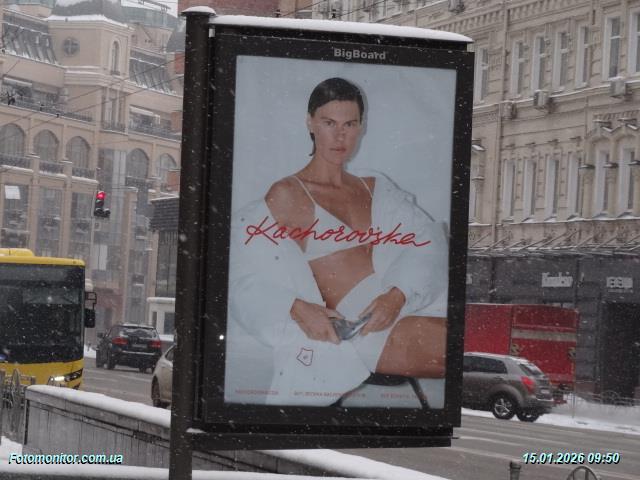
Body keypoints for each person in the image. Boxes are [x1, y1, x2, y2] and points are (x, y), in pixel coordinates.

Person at [228, 77, 448, 407]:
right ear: (310, 123)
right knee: (452, 346)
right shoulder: (288, 195)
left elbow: (428, 241)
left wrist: (397, 296)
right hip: (355, 331)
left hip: (405, 301)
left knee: (461, 336)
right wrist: (296, 308)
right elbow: (242, 276)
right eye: (329, 123)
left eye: (350, 124)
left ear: (361, 127)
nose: (340, 135)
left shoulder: (377, 188)